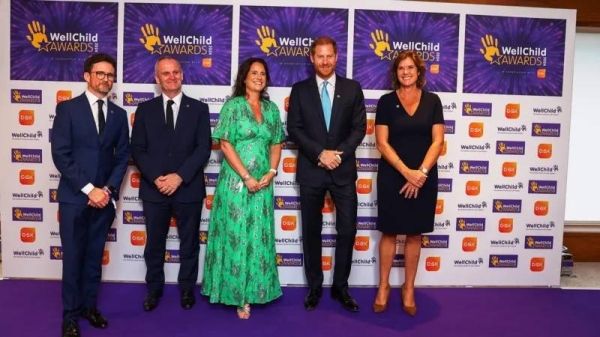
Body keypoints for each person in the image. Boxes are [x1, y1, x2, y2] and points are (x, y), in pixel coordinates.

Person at [51, 53, 129, 337]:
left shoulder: (119, 115)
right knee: (73, 258)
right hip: (75, 198)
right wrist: (89, 189)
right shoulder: (68, 109)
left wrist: (106, 190)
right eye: (100, 74)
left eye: (110, 75)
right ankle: (70, 316)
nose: (106, 79)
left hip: (105, 200)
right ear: (87, 76)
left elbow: (122, 156)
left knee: (95, 258)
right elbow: (61, 154)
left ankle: (89, 307)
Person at [287, 36, 366, 312]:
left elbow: (359, 128)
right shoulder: (299, 90)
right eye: (319, 56)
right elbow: (294, 129)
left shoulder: (353, 88)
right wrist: (320, 154)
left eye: (329, 56)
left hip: (343, 172)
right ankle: (315, 287)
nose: (324, 61)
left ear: (336, 56)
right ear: (311, 58)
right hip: (311, 171)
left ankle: (341, 288)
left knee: (348, 230)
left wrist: (338, 155)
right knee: (312, 231)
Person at [202, 57, 285, 319]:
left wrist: (271, 172)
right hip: (236, 183)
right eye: (254, 73)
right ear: (244, 77)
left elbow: (276, 143)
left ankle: (257, 291)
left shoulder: (271, 109)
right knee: (237, 236)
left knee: (257, 236)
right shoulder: (233, 107)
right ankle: (237, 296)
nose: (259, 77)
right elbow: (225, 144)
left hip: (263, 184)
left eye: (263, 73)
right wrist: (247, 176)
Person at [130, 55, 212, 312]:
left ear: (182, 75)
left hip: (187, 187)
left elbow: (203, 148)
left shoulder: (199, 109)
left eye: (176, 72)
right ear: (157, 78)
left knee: (189, 243)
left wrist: (179, 176)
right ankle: (154, 289)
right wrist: (157, 178)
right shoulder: (144, 110)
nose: (172, 77)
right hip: (155, 189)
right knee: (154, 243)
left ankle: (187, 288)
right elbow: (138, 149)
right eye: (165, 73)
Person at [372, 50, 444, 315]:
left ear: (419, 71)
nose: (406, 72)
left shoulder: (433, 101)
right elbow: (382, 142)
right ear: (396, 72)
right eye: (401, 68)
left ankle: (409, 288)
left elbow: (437, 141)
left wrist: (421, 173)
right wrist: (406, 172)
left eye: (410, 68)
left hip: (424, 177)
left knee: (414, 233)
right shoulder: (386, 102)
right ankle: (383, 286)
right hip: (393, 175)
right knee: (389, 231)